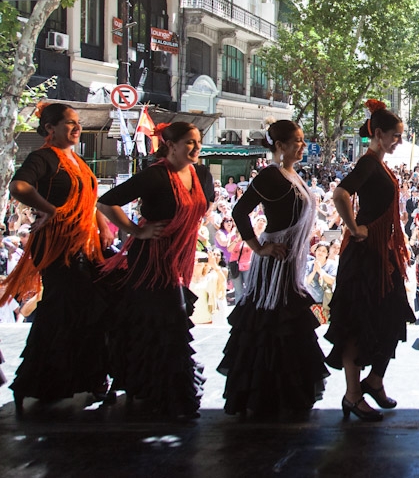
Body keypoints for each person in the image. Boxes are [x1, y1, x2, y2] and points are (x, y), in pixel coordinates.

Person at [2, 103, 114, 415]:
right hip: (58, 246)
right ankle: (45, 381)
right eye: (69, 123)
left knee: (84, 309)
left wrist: (103, 225)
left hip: (83, 245)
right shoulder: (44, 157)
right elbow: (19, 186)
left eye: (78, 123)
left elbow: (89, 200)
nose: (77, 128)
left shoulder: (76, 160)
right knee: (63, 310)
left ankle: (80, 378)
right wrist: (49, 209)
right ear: (50, 128)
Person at [98, 121, 215, 419]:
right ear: (171, 145)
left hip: (180, 258)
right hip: (152, 259)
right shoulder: (155, 175)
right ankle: (169, 396)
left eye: (198, 141)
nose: (196, 147)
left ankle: (147, 387)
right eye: (189, 142)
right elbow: (106, 202)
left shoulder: (201, 173)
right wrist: (136, 231)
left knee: (162, 323)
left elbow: (206, 205)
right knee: (169, 322)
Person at [218, 120, 329, 419]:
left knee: (287, 324)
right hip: (274, 265)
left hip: (289, 265)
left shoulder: (292, 174)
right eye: (297, 141)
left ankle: (286, 393)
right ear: (279, 146)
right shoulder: (270, 175)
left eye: (303, 140)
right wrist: (258, 247)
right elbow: (240, 211)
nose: (302, 145)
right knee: (271, 324)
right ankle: (263, 394)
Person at [326, 101, 416, 422]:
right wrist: (355, 228)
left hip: (381, 253)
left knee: (392, 316)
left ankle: (374, 381)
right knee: (356, 322)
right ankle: (353, 395)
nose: (399, 142)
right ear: (378, 134)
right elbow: (340, 194)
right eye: (395, 136)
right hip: (365, 255)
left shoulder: (379, 163)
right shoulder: (368, 163)